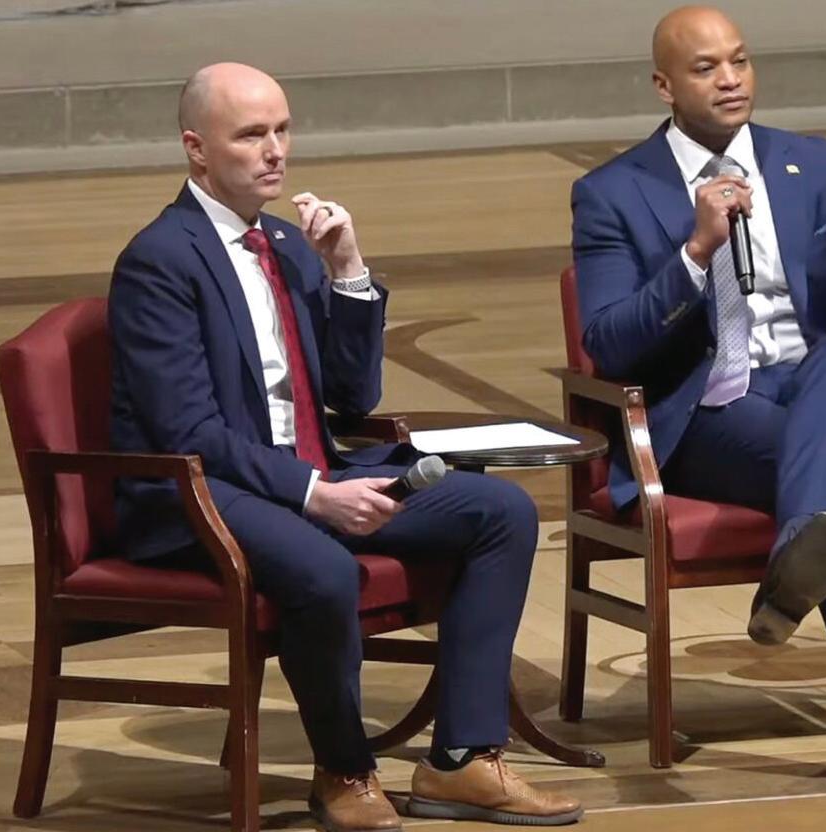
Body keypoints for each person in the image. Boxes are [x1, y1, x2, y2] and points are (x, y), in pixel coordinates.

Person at [108, 62, 582, 830]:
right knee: (323, 568)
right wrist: (313, 495)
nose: (275, 151)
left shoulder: (289, 246)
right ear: (197, 148)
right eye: (251, 135)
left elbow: (354, 398)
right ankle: (344, 771)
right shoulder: (160, 260)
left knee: (500, 513)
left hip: (310, 474)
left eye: (282, 130)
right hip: (203, 493)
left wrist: (347, 271)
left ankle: (462, 760)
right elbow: (187, 432)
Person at [570, 6, 826, 802]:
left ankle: (801, 567)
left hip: (817, 388)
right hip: (709, 413)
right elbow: (609, 344)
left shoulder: (817, 165)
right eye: (706, 68)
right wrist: (694, 253)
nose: (730, 80)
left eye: (740, 61)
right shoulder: (612, 192)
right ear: (664, 86)